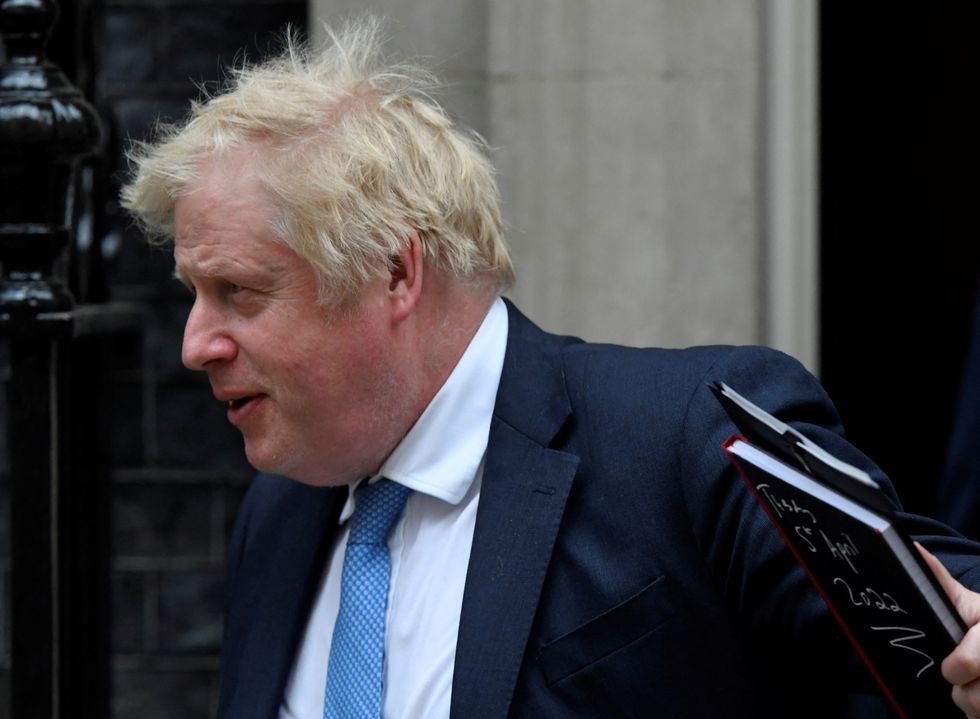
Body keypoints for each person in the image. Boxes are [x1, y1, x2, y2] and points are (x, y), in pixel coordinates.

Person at [121, 18, 980, 719]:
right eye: (195, 294)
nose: (198, 342)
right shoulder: (281, 512)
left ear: (394, 270)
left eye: (238, 291)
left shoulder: (682, 440)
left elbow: (949, 622)